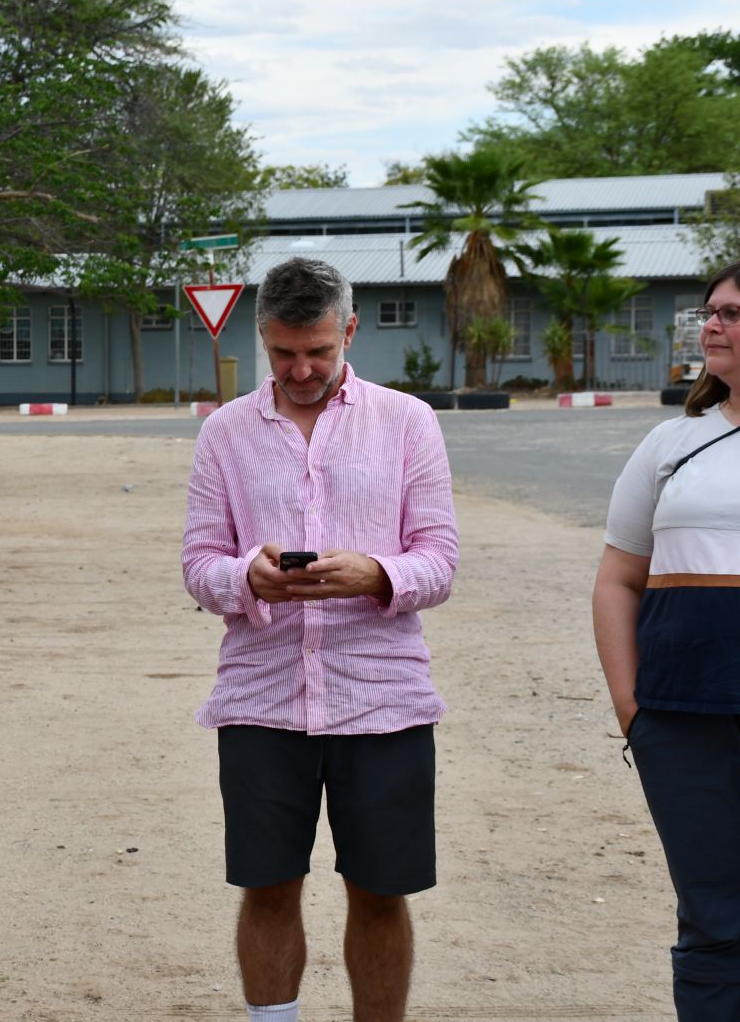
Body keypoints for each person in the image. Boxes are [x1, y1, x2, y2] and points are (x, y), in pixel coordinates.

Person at [180, 256, 459, 1022]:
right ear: (261, 337)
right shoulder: (225, 434)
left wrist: (377, 573)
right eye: (283, 353)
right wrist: (245, 576)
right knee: (267, 887)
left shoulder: (407, 422)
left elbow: (440, 560)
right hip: (261, 699)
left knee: (381, 891)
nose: (301, 370)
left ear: (351, 331)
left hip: (383, 699)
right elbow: (198, 563)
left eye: (318, 351)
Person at [594, 258, 740, 1019]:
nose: (712, 324)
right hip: (684, 723)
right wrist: (634, 713)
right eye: (710, 311)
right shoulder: (671, 443)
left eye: (733, 313)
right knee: (713, 919)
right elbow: (617, 581)